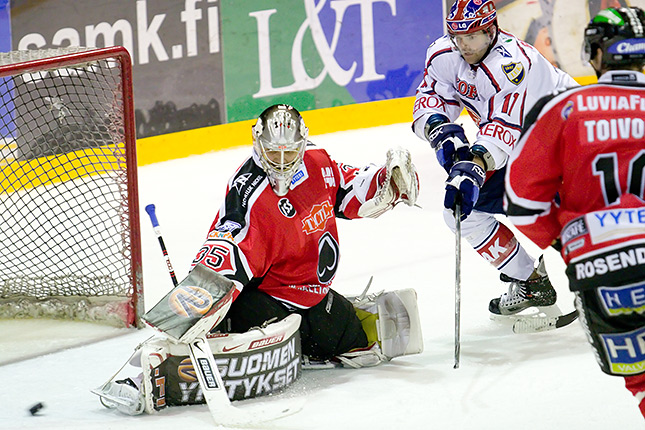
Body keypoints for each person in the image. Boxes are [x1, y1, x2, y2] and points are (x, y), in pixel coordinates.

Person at [94, 103, 423, 415]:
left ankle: (298, 344)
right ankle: (163, 360)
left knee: (351, 338)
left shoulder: (318, 162)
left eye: (289, 152)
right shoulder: (248, 194)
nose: (281, 161)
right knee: (258, 319)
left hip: (310, 295)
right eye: (272, 152)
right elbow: (225, 251)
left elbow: (349, 189)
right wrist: (189, 310)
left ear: (303, 144)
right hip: (264, 299)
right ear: (257, 144)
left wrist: (389, 180)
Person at [504, 6, 645, 418]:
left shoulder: (567, 108)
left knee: (640, 379)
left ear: (596, 53)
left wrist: (571, 243)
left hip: (600, 263)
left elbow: (522, 199)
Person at [411, 0, 579, 317]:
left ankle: (614, 281)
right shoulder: (443, 53)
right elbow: (432, 97)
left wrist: (474, 165)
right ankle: (530, 280)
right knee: (461, 211)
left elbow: (504, 131)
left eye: (472, 37)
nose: (463, 45)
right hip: (523, 152)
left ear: (491, 30)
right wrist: (439, 129)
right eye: (457, 37)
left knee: (574, 225)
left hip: (568, 143)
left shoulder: (514, 65)